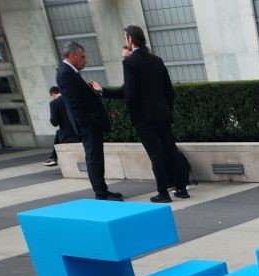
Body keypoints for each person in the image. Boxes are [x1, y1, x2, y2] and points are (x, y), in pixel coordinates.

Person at [91, 25, 188, 203]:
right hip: (163, 115)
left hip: (144, 119)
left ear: (130, 39)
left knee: (155, 155)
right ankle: (181, 189)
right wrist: (103, 91)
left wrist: (133, 116)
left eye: (125, 38)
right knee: (170, 151)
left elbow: (130, 93)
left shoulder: (129, 62)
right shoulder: (157, 60)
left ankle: (163, 193)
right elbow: (169, 91)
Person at [55, 41, 122, 200]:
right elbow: (75, 104)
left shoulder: (68, 71)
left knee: (95, 157)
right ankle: (101, 193)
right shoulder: (66, 73)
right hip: (88, 126)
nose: (85, 60)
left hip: (88, 124)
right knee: (94, 158)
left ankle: (102, 191)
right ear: (72, 56)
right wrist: (90, 122)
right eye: (82, 57)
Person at [42, 86, 79, 167]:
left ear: (53, 93)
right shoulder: (71, 98)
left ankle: (53, 158)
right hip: (82, 130)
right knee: (58, 133)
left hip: (70, 135)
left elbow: (54, 122)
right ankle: (53, 158)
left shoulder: (54, 103)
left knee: (58, 134)